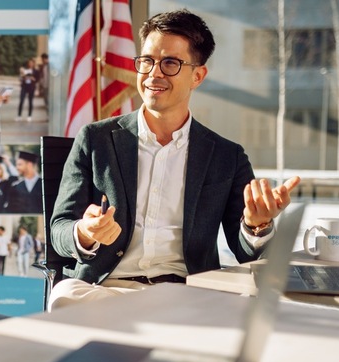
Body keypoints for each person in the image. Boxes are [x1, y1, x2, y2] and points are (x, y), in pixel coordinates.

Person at [48, 9, 301, 309]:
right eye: (147, 61)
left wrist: (255, 226)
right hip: (106, 290)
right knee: (65, 296)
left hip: (189, 293)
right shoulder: (94, 139)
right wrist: (85, 232)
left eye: (170, 63)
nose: (154, 74)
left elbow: (248, 253)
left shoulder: (226, 156)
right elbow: (59, 228)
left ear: (197, 75)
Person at [16, 58, 37, 122]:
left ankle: (29, 116)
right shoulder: (24, 70)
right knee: (21, 101)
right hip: (24, 87)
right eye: (29, 63)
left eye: (31, 63)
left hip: (31, 87)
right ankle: (19, 116)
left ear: (33, 64)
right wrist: (23, 76)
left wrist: (32, 78)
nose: (30, 64)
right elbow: (19, 78)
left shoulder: (35, 71)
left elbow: (37, 79)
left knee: (30, 101)